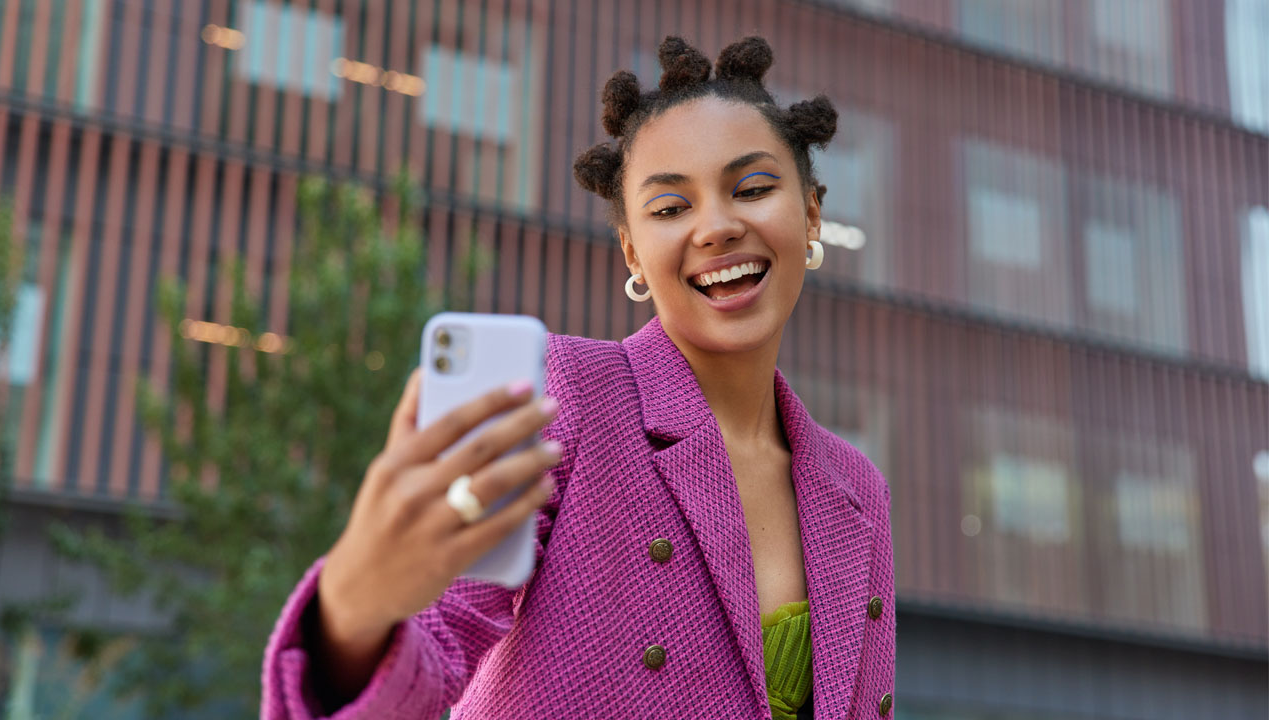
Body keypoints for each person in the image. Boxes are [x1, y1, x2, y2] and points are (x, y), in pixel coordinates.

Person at [261, 35, 895, 720]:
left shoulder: (858, 488)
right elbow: (441, 639)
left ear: (810, 215)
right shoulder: (570, 396)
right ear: (632, 250)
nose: (715, 227)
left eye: (753, 188)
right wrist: (353, 610)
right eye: (669, 208)